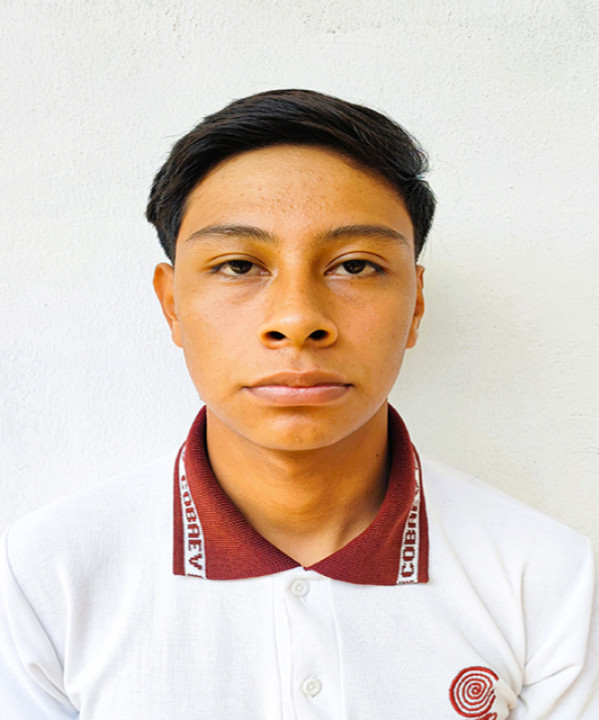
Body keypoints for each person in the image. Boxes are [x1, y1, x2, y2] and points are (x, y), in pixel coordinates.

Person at [0, 89, 596, 719]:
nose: (297, 319)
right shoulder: (49, 573)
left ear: (416, 304)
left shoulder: (546, 576)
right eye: (238, 265)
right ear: (172, 304)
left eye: (355, 266)